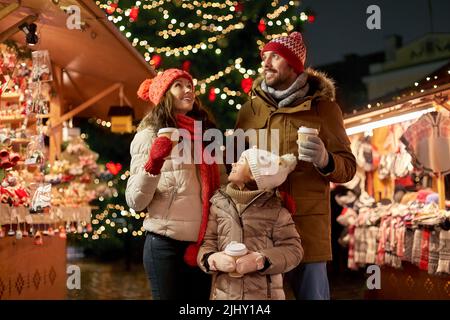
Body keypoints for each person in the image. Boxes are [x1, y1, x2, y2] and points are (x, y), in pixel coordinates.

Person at [234, 32, 357, 300]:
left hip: (306, 231)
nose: (266, 63)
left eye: (275, 57)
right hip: (260, 229)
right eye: (264, 57)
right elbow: (232, 168)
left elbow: (348, 167)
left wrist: (326, 160)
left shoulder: (323, 109)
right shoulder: (248, 111)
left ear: (294, 65)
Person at [126, 68, 223, 300]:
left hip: (202, 245)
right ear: (164, 94)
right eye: (179, 85)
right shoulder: (148, 136)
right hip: (164, 245)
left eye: (189, 85)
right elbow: (135, 202)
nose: (188, 90)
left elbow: (222, 188)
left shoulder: (206, 134)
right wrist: (153, 163)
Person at [197, 148, 303, 300]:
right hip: (223, 296)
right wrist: (211, 259)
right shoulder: (218, 205)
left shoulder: (276, 211)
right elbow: (208, 243)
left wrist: (261, 260)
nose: (233, 163)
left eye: (240, 162)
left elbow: (294, 250)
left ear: (254, 175)